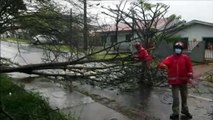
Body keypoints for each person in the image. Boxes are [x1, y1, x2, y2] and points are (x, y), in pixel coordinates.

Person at [158, 41, 193, 119]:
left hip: (184, 82)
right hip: (174, 83)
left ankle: (185, 110)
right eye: (177, 48)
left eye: (179, 48)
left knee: (184, 97)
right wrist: (162, 65)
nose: (178, 50)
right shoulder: (170, 58)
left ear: (182, 50)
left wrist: (190, 76)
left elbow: (189, 68)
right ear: (174, 49)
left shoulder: (185, 58)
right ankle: (175, 112)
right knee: (176, 98)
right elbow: (163, 63)